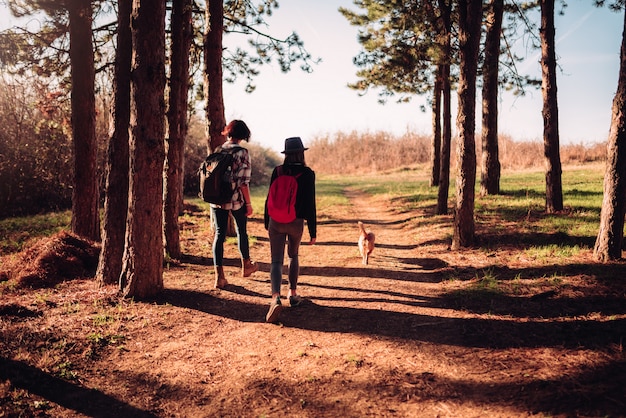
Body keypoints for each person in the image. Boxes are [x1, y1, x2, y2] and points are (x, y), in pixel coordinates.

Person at [264, 137, 317, 323]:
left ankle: (275, 297)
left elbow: (268, 197)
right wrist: (313, 231)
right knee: (293, 256)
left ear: (285, 154)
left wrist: (266, 221)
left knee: (275, 261)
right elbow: (310, 205)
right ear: (302, 153)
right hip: (296, 221)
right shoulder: (308, 174)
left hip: (275, 221)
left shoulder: (277, 171)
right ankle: (292, 295)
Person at [211, 120, 258, 289]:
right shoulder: (242, 152)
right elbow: (243, 182)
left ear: (228, 132)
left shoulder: (218, 150)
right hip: (235, 199)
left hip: (217, 199)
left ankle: (219, 277)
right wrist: (249, 204)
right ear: (243, 135)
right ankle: (246, 266)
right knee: (241, 231)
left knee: (219, 234)